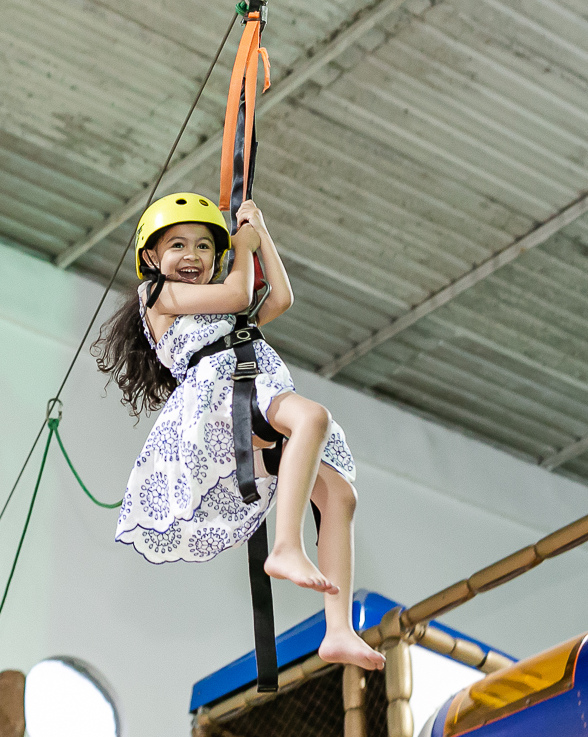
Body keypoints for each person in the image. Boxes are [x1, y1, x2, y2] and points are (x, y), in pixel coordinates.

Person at [93, 192, 384, 671]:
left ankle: (338, 631)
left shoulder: (227, 312)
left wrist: (259, 233)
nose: (192, 256)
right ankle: (286, 544)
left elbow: (281, 298)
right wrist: (242, 248)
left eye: (205, 247)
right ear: (151, 257)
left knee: (340, 496)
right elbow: (239, 293)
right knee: (311, 418)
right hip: (218, 400)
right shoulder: (159, 296)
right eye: (178, 246)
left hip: (252, 392)